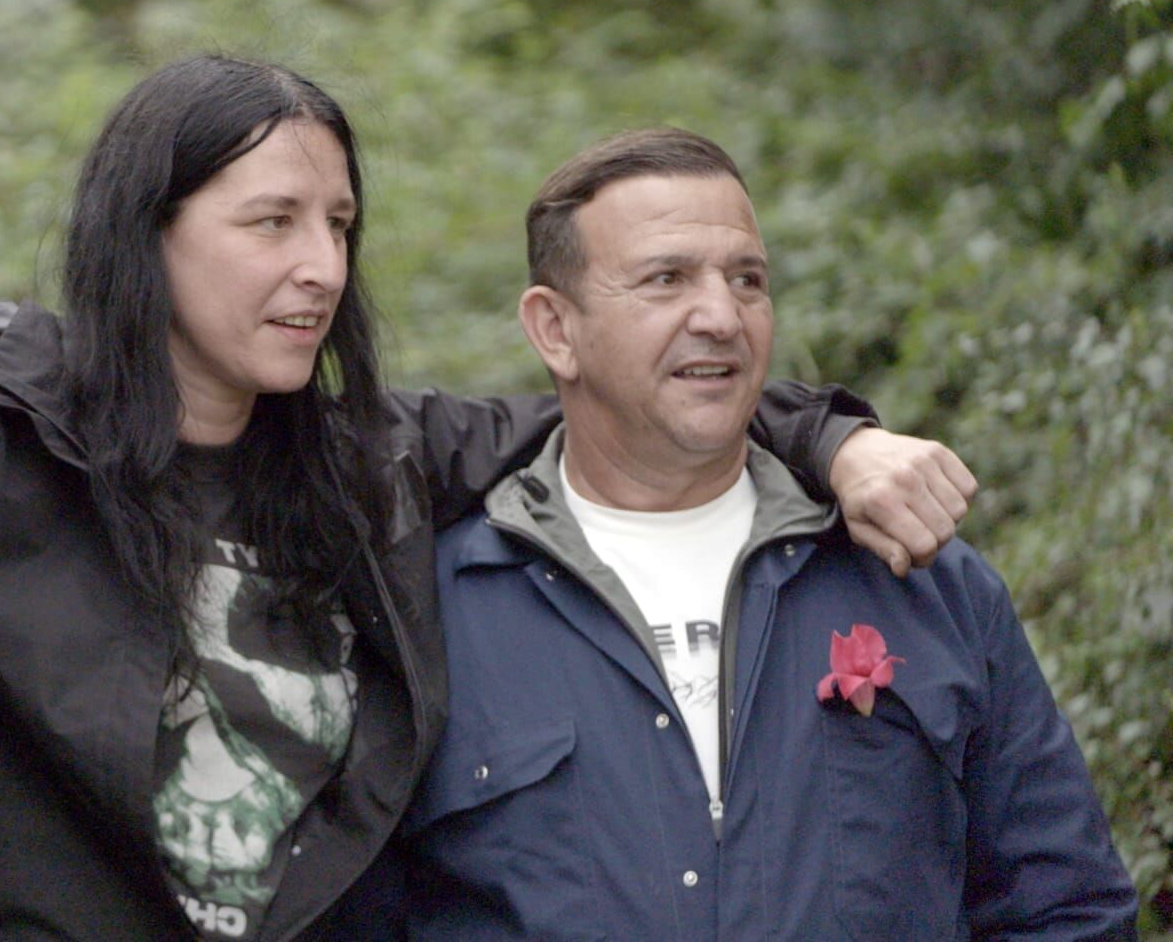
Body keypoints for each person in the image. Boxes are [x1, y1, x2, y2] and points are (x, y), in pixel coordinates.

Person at [0, 57, 975, 939]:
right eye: (269, 222)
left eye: (338, 223)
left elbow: (621, 388)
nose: (319, 268)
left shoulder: (381, 462)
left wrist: (832, 438)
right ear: (144, 239)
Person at [383, 128, 1137, 938]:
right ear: (555, 330)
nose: (721, 316)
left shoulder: (918, 577)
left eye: (748, 280)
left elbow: (1067, 910)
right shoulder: (435, 611)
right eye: (666, 279)